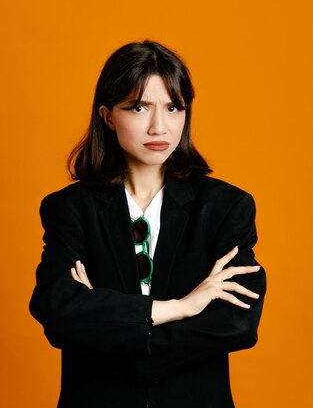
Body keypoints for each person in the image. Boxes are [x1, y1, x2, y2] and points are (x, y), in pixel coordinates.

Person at [29, 40, 267, 408]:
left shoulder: (225, 207)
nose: (159, 127)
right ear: (108, 116)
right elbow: (57, 312)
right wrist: (181, 307)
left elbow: (237, 323)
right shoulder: (70, 208)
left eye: (173, 107)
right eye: (139, 107)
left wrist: (106, 320)